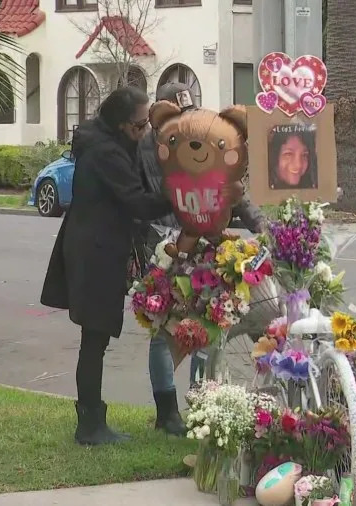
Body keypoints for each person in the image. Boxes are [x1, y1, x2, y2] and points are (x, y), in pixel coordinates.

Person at [40, 87, 173, 446]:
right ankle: (90, 425)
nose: (144, 130)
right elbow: (138, 202)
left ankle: (92, 419)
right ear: (120, 123)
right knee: (94, 338)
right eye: (140, 124)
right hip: (94, 253)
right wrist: (177, 191)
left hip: (94, 245)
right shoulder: (106, 152)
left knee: (93, 339)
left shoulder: (110, 142)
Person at [136, 82, 266, 435]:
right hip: (165, 248)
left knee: (207, 326)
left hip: (204, 253)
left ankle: (199, 400)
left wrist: (264, 228)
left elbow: (237, 199)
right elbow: (142, 198)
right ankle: (169, 409)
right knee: (166, 332)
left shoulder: (204, 150)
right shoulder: (150, 149)